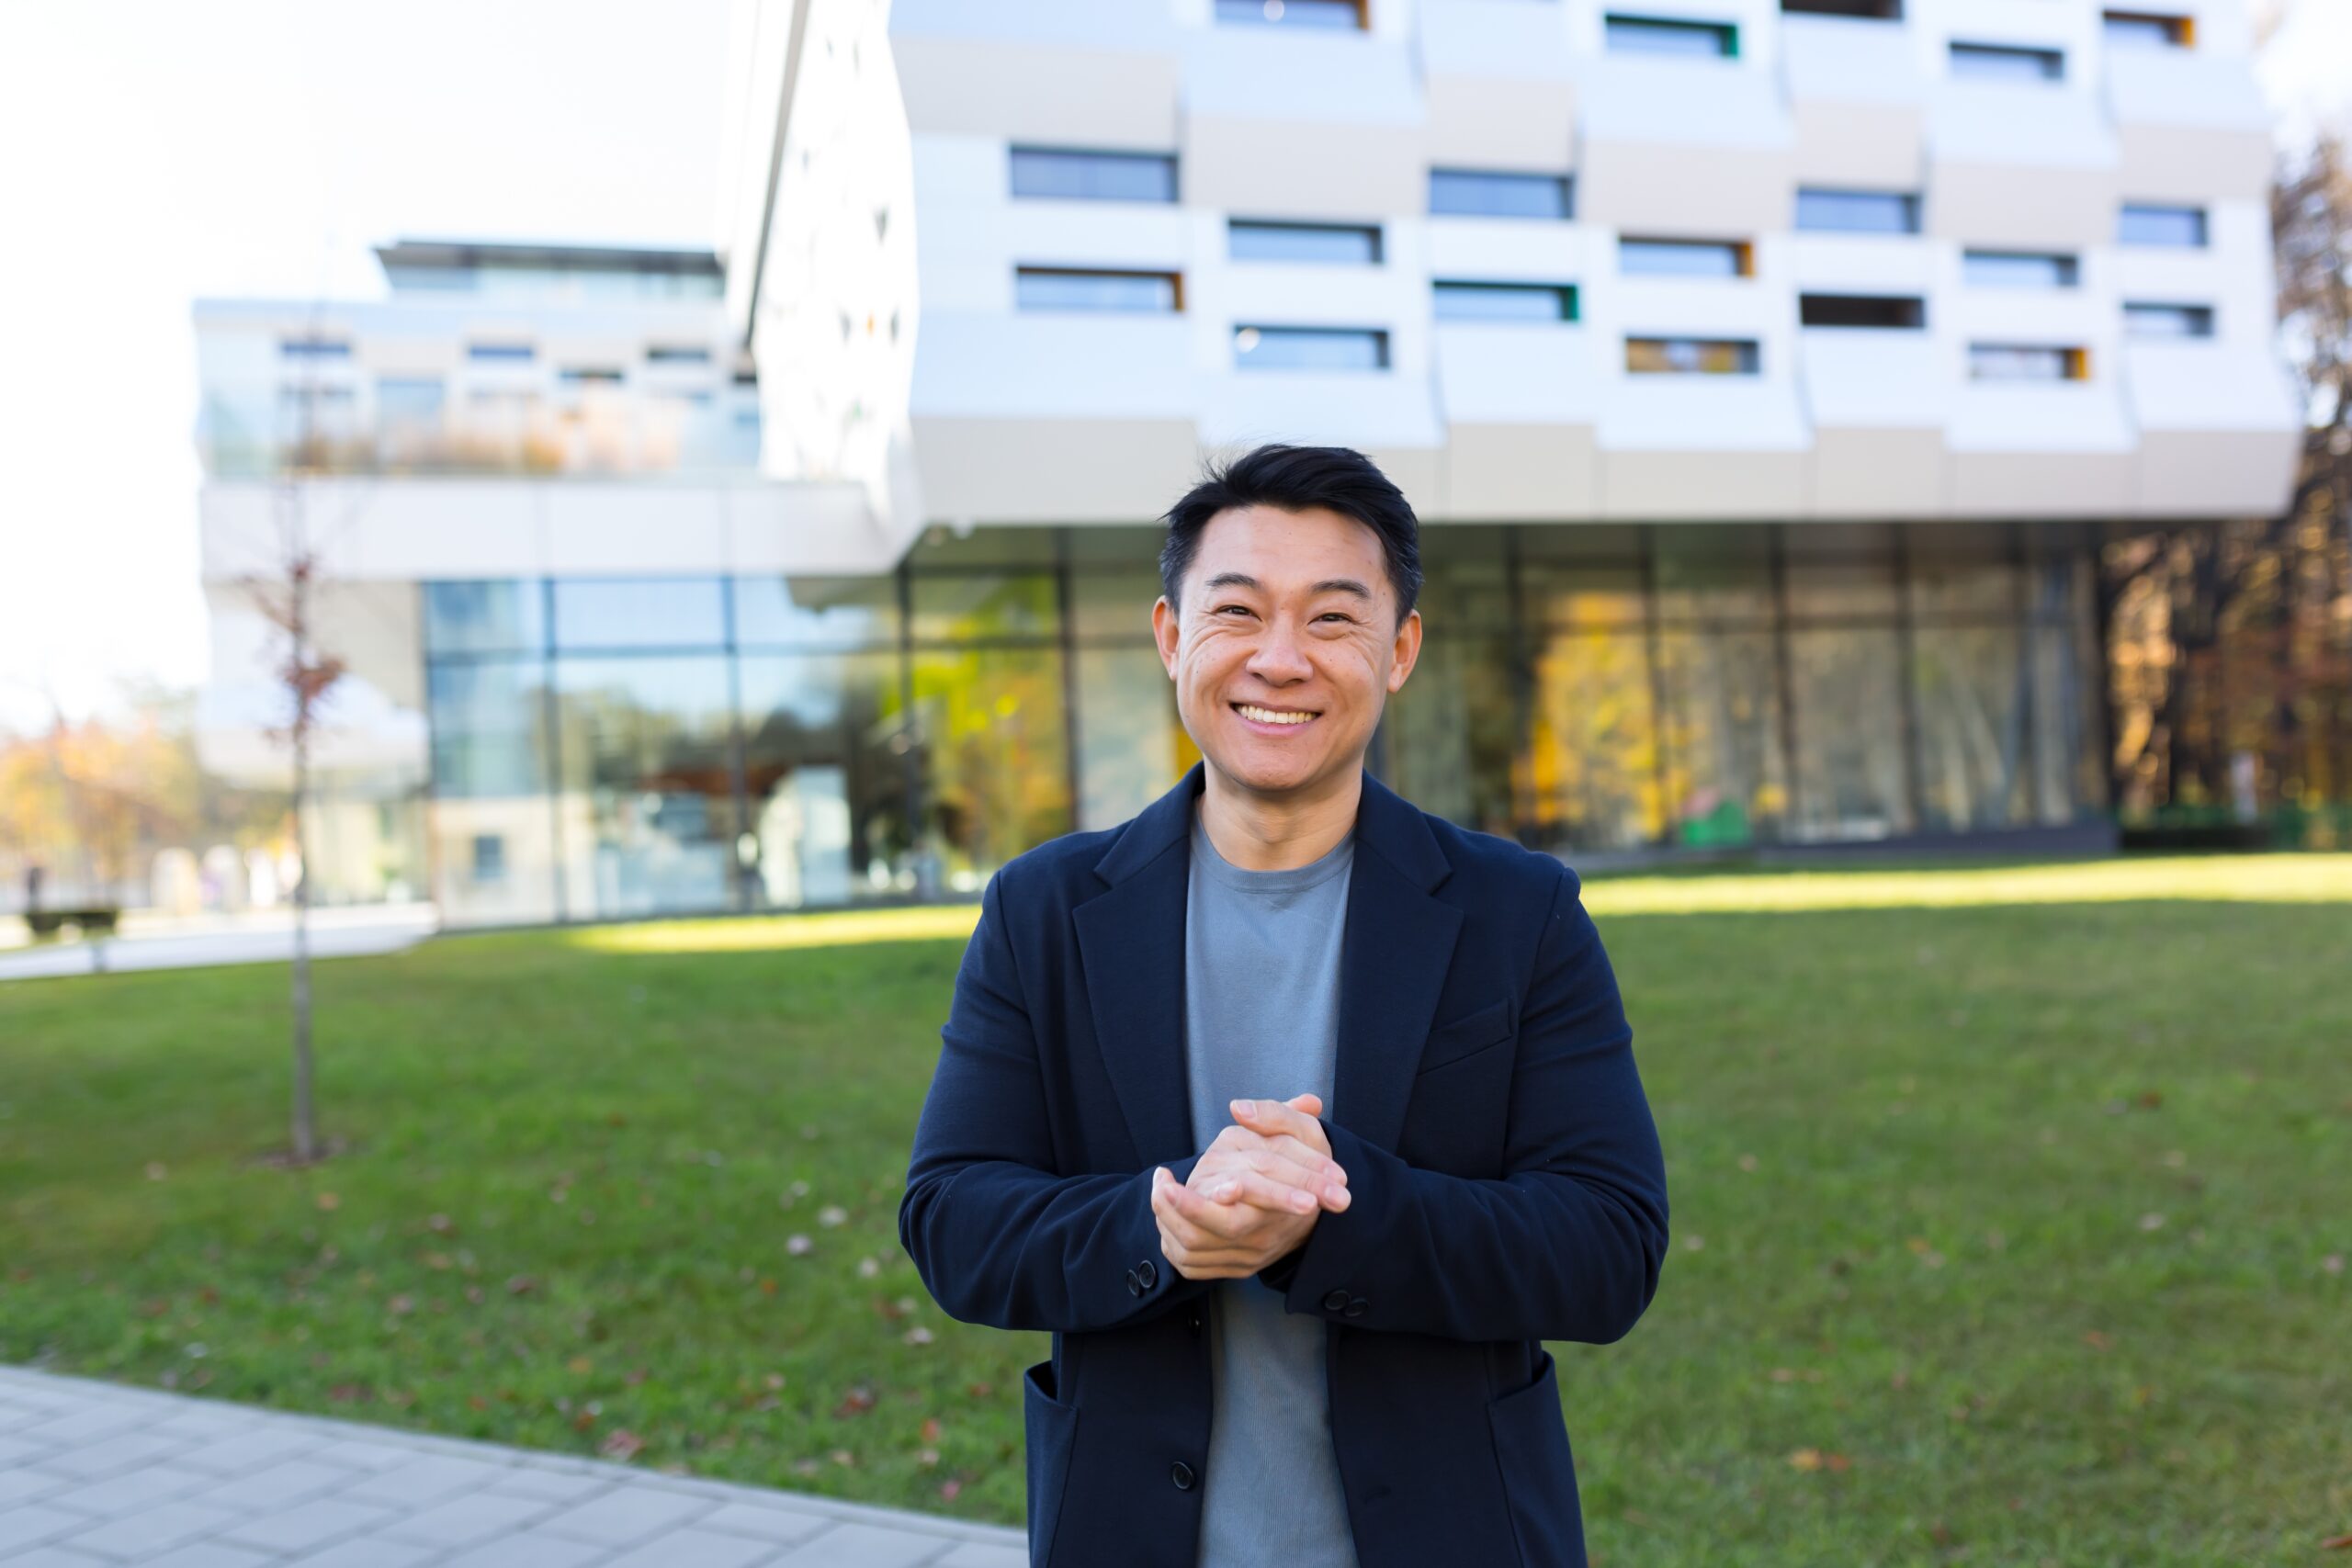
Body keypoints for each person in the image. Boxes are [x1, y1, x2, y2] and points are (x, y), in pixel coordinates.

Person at [898, 444, 1669, 1568]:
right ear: (1172, 638)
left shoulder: (1519, 912)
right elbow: (952, 1219)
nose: (1279, 659)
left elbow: (1608, 1249)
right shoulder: (1045, 911)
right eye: (1238, 612)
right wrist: (1158, 1226)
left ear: (1399, 650)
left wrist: (1333, 1215)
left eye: (1332, 620)